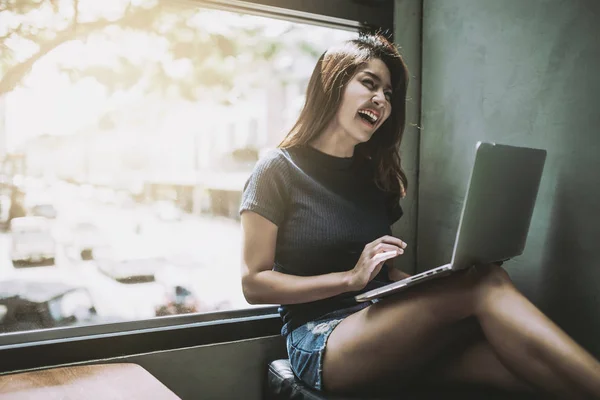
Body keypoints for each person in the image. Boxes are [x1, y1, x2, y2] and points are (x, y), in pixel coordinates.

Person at [239, 33, 600, 398]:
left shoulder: (372, 177)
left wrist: (442, 280)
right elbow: (254, 283)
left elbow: (386, 272)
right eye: (369, 84)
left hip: (383, 322)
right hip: (320, 339)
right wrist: (349, 279)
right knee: (485, 284)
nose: (381, 100)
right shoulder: (277, 168)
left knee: (517, 368)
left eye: (389, 94)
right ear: (332, 84)